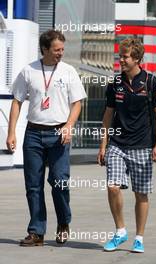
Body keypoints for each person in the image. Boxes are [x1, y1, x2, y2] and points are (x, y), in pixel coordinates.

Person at [6, 29, 87, 246]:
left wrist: (69, 126)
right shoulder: (29, 71)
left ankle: (63, 222)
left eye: (62, 49)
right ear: (44, 49)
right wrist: (11, 132)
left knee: (59, 182)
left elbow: (77, 103)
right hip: (33, 134)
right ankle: (37, 232)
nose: (61, 53)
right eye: (57, 49)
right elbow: (17, 101)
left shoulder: (68, 71)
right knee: (33, 185)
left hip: (59, 133)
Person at [97, 38, 156, 253]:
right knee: (112, 186)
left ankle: (139, 238)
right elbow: (108, 115)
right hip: (117, 145)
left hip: (142, 146)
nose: (121, 60)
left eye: (125, 56)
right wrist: (103, 145)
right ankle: (120, 231)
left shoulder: (152, 83)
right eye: (120, 56)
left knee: (140, 194)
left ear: (137, 58)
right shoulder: (115, 83)